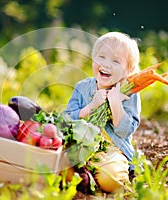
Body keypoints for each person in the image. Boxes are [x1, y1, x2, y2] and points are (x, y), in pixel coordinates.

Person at [63, 31, 141, 192]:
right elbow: (65, 120)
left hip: (110, 151)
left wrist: (115, 103)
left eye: (116, 61)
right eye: (101, 57)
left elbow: (125, 131)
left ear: (128, 70)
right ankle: (85, 176)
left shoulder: (129, 93)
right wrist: (90, 107)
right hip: (80, 146)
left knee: (112, 180)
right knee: (57, 167)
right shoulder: (82, 87)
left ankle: (89, 176)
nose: (106, 64)